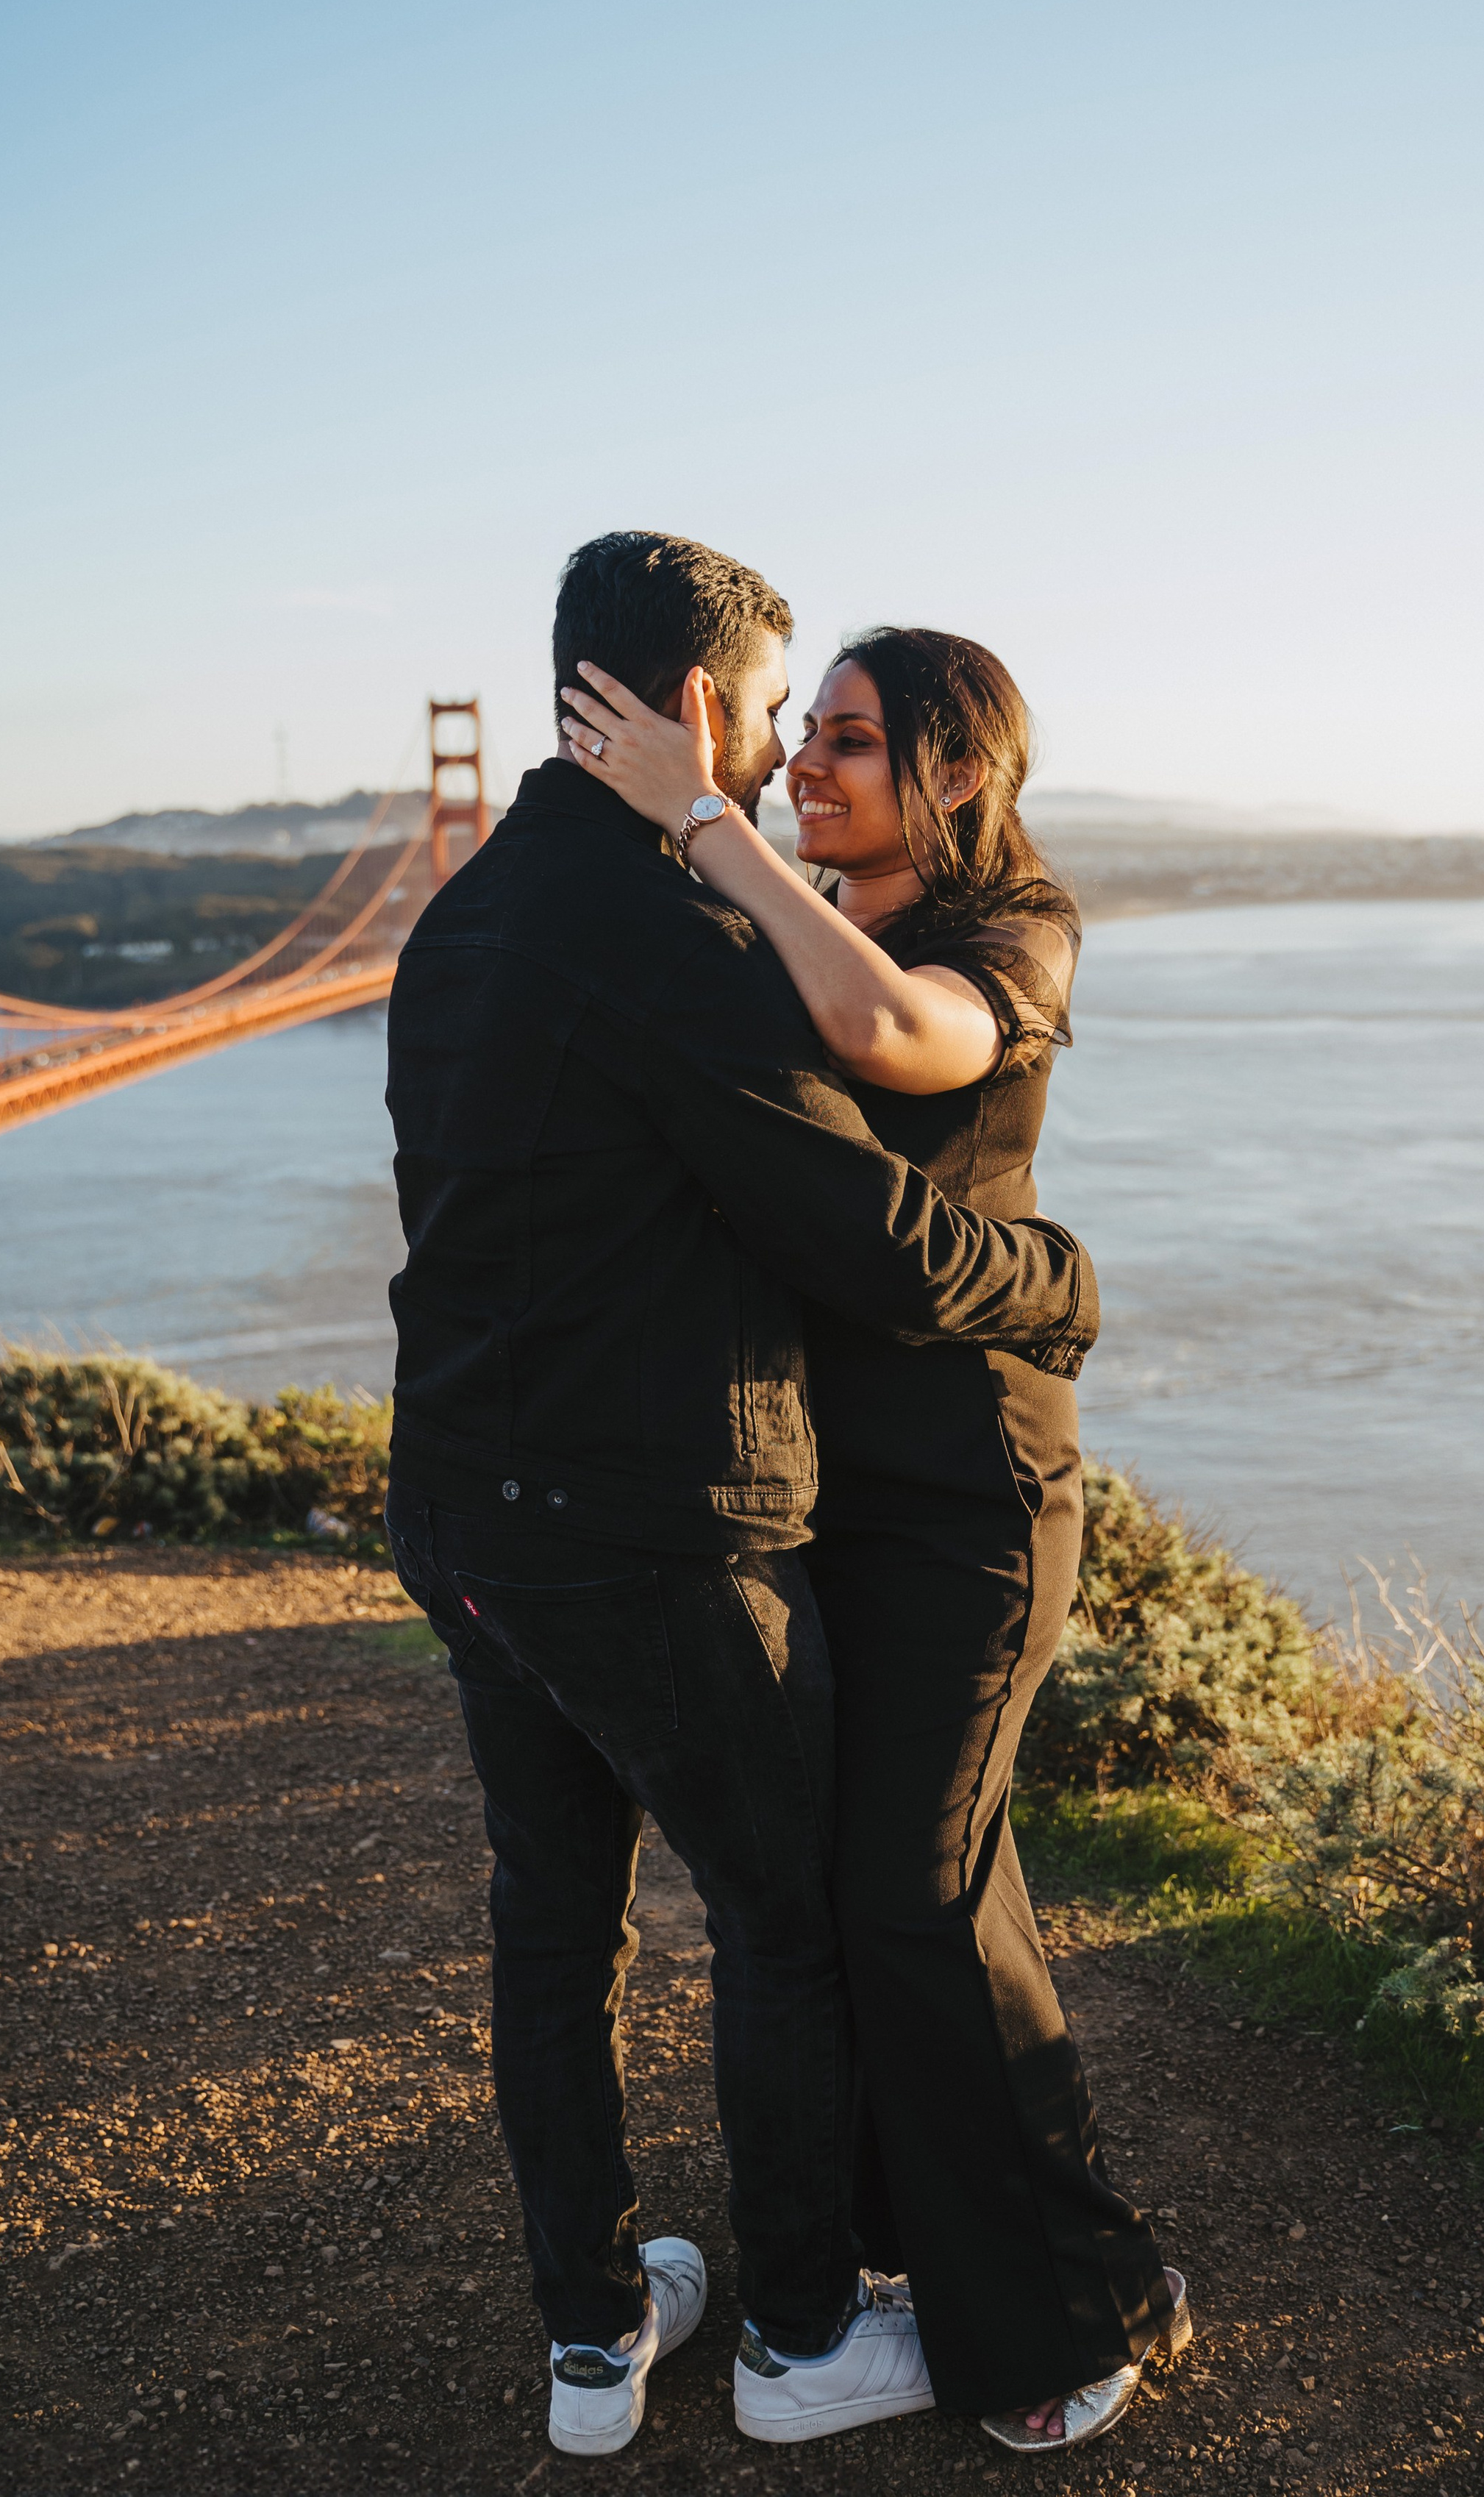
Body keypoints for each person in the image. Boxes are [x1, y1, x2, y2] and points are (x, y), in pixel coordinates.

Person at [382, 533, 1102, 2460]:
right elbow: (852, 1221)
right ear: (701, 710)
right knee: (790, 1918)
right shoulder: (674, 930)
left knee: (555, 1913)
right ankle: (798, 2335)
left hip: (455, 1504)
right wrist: (1058, 1285)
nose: (786, 760)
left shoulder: (458, 920)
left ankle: (594, 2335)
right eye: (784, 715)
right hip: (644, 1526)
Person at [561, 624, 1190, 2455]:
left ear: (957, 776)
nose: (801, 769)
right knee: (881, 1900)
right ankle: (977, 2259)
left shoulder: (1012, 931)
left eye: (847, 742)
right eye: (802, 736)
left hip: (974, 1504)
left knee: (915, 1896)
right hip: (818, 1498)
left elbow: (893, 1036)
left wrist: (702, 823)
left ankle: (1079, 2302)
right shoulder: (791, 911)